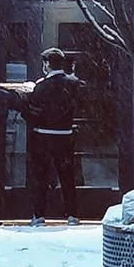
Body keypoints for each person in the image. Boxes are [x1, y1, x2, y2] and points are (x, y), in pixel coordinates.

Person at [25, 47, 82, 225]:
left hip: (42, 137)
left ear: (47, 64)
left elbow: (33, 113)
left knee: (40, 177)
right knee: (67, 176)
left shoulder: (40, 87)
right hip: (65, 137)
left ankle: (39, 215)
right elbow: (80, 106)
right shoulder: (74, 83)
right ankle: (72, 215)